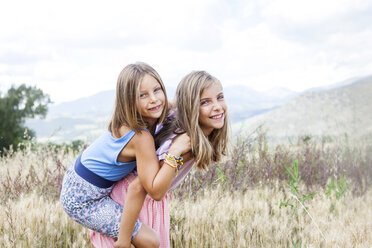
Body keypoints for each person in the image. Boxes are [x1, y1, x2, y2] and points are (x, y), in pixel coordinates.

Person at [90, 70, 230, 248]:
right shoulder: (184, 143)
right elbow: (138, 187)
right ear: (191, 107)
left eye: (220, 97)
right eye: (205, 102)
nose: (217, 106)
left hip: (144, 202)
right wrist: (124, 240)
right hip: (133, 205)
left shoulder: (181, 122)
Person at [60, 62, 190, 248]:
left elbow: (177, 103)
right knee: (151, 241)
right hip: (82, 200)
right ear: (128, 101)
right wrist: (175, 152)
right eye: (142, 95)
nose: (153, 99)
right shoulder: (141, 137)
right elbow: (153, 188)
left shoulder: (149, 111)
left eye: (157, 90)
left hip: (76, 178)